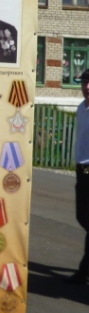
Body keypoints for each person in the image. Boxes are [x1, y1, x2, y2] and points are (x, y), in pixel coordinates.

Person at [68, 69, 89, 285]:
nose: (87, 87)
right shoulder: (81, 108)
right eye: (84, 82)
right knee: (82, 217)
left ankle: (85, 271)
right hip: (81, 169)